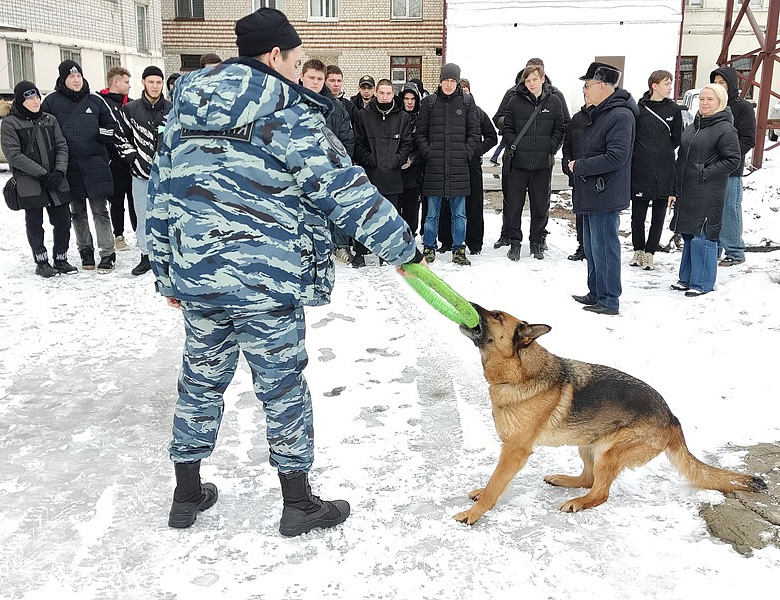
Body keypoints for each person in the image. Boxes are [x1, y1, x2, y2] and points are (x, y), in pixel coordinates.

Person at [147, 7, 424, 537]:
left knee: (199, 382)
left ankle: (186, 495)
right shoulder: (287, 113)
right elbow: (342, 187)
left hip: (200, 276)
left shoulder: (182, 110)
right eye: (297, 61)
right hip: (266, 280)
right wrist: (401, 247)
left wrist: (167, 272)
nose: (299, 72)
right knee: (282, 388)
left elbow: (161, 195)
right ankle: (297, 505)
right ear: (275, 56)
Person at [569, 62, 638, 316]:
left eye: (587, 85)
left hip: (604, 192)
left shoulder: (620, 115)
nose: (584, 90)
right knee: (591, 245)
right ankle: (596, 292)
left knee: (605, 247)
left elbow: (617, 156)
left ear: (602, 86)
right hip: (592, 191)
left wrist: (581, 166)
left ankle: (609, 299)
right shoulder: (600, 112)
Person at [41, 60, 117, 272]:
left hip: (96, 164)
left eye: (79, 76)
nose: (76, 80)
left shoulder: (96, 101)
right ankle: (85, 251)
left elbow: (111, 128)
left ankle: (107, 252)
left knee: (100, 210)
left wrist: (95, 134)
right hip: (68, 167)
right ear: (63, 79)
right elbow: (46, 133)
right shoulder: (51, 102)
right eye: (71, 76)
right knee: (77, 212)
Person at [668, 84, 740, 296]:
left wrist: (704, 172)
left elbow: (733, 160)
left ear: (720, 102)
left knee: (704, 235)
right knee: (689, 234)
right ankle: (687, 278)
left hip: (709, 190)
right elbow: (681, 159)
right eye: (702, 99)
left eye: (710, 99)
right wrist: (675, 187)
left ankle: (701, 283)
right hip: (687, 189)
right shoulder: (693, 126)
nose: (705, 103)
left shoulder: (725, 128)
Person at [493, 57, 570, 249]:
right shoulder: (513, 96)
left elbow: (562, 126)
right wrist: (516, 141)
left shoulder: (555, 97)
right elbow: (501, 121)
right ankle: (510, 237)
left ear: (543, 76)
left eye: (536, 77)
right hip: (517, 158)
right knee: (512, 203)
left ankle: (538, 239)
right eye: (528, 79)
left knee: (540, 204)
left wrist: (550, 147)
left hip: (542, 160)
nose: (532, 83)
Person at [1, 81, 76, 277]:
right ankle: (41, 261)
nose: (35, 101)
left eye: (37, 97)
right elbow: (14, 155)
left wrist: (59, 171)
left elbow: (62, 146)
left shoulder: (50, 119)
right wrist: (42, 173)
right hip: (30, 181)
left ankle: (61, 258)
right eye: (29, 98)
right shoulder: (10, 123)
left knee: (63, 220)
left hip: (55, 179)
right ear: (20, 100)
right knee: (35, 222)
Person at [416, 63, 480, 266]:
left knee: (459, 213)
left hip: (459, 168)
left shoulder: (467, 102)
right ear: (441, 80)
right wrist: (429, 152)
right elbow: (421, 133)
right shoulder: (430, 103)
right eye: (446, 80)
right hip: (435, 167)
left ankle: (458, 249)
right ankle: (429, 247)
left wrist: (466, 153)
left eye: (453, 81)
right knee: (431, 214)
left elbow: (474, 133)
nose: (449, 84)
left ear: (458, 82)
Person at [352, 78, 412, 267]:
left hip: (393, 177)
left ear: (393, 94)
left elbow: (406, 145)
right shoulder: (363, 115)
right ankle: (360, 252)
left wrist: (395, 161)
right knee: (365, 217)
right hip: (369, 176)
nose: (385, 96)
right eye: (382, 92)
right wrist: (371, 160)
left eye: (389, 93)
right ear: (376, 93)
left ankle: (387, 252)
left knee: (389, 218)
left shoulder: (403, 117)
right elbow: (358, 144)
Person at [301, 59, 356, 264]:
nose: (315, 82)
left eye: (319, 79)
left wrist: (338, 165)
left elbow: (347, 140)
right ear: (302, 76)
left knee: (337, 209)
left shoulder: (336, 107)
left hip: (331, 170)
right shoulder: (290, 105)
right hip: (301, 172)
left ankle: (339, 247)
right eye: (311, 78)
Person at [119, 66, 173, 276]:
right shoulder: (130, 110)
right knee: (143, 217)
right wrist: (133, 157)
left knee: (167, 215)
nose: (155, 86)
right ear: (143, 83)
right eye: (151, 82)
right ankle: (145, 255)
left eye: (159, 82)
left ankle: (167, 257)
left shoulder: (171, 109)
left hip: (166, 174)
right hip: (140, 174)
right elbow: (120, 137)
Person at [629, 70, 683, 271]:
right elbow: (632, 136)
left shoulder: (674, 110)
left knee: (658, 216)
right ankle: (638, 250)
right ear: (654, 85)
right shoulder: (639, 109)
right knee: (638, 215)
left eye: (671, 83)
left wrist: (662, 151)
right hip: (641, 168)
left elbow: (677, 138)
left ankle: (651, 252)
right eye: (667, 83)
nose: (670, 87)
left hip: (664, 169)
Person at [437, 78, 496, 255]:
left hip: (471, 165)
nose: (463, 93)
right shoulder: (446, 111)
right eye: (460, 89)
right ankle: (446, 240)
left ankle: (474, 242)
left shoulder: (477, 112)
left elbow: (492, 137)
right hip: (449, 165)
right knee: (447, 203)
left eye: (465, 90)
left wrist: (476, 150)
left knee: (473, 205)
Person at [710, 65, 756, 267]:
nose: (718, 86)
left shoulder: (742, 107)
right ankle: (714, 248)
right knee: (712, 210)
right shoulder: (712, 105)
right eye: (715, 82)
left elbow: (748, 139)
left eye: (722, 82)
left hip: (731, 169)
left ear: (731, 85)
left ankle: (735, 251)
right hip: (710, 169)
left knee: (730, 210)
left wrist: (730, 156)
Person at [98, 66, 135, 252]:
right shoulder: (100, 103)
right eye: (126, 82)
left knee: (135, 199)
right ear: (116, 82)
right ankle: (118, 235)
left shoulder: (133, 104)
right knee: (117, 200)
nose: (129, 86)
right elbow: (100, 131)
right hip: (113, 161)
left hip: (134, 160)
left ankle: (140, 232)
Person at [561, 103, 593, 261]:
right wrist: (566, 161)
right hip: (577, 173)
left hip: (596, 176)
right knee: (580, 212)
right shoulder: (577, 118)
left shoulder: (605, 117)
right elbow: (567, 144)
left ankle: (594, 246)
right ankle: (583, 245)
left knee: (595, 214)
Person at [398, 82, 426, 238]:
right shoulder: (396, 117)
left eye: (412, 99)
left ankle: (410, 238)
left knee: (412, 209)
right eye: (406, 98)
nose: (409, 102)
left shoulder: (422, 119)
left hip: (415, 172)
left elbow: (426, 146)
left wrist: (412, 159)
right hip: (396, 170)